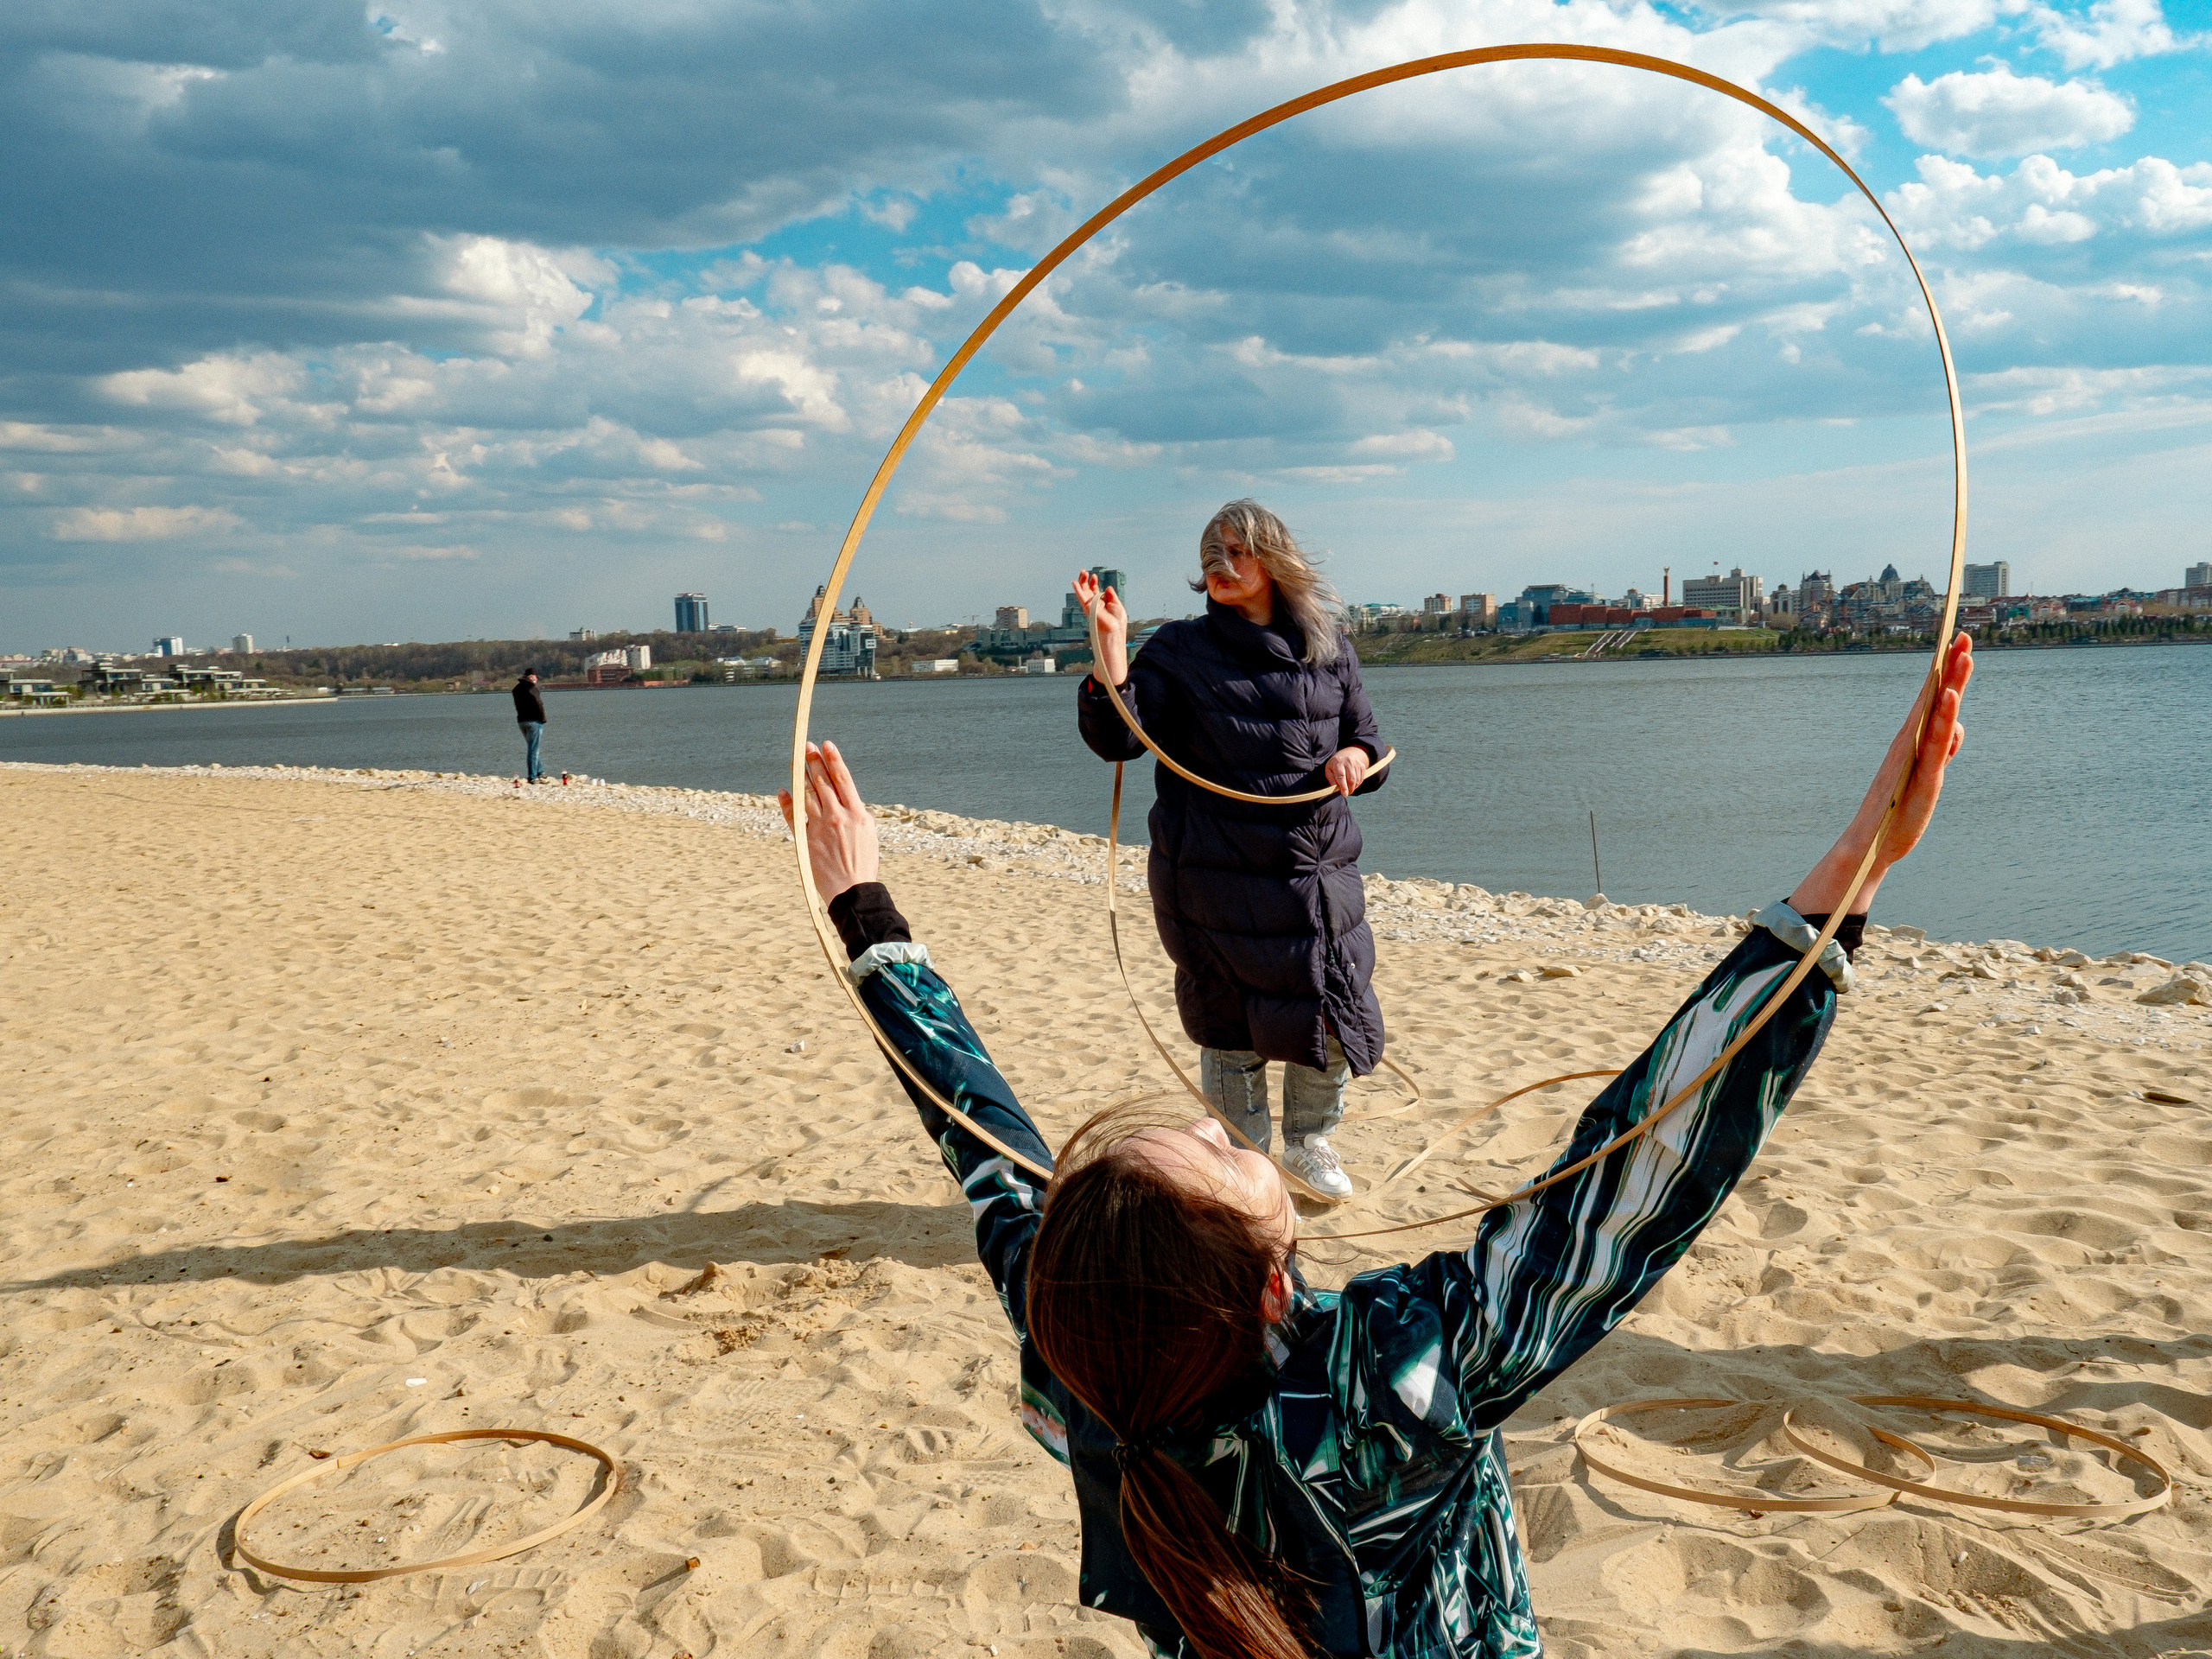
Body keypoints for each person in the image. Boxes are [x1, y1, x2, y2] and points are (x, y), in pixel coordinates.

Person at [779, 632, 1973, 1659]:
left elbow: (979, 1136)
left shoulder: (1085, 1359)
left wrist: (865, 910)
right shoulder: (1382, 1387)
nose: (1207, 1121)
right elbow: (1636, 1175)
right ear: (1258, 1290)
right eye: (1215, 1154)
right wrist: (1861, 860)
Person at [1074, 501, 1385, 1199]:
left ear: (1275, 561)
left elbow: (1369, 737)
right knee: (1232, 1024)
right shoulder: (1181, 650)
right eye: (1212, 552)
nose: (1222, 565)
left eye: (1239, 552)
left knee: (1331, 1007)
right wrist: (1111, 654)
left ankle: (1310, 1145)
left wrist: (1357, 758)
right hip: (1213, 873)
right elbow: (1120, 739)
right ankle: (1244, 1161)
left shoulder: (1327, 643)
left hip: (1316, 870)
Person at [512, 669, 548, 783]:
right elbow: (539, 703)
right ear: (531, 676)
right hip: (534, 721)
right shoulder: (532, 689)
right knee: (534, 750)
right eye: (535, 677)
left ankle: (540, 772)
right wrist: (543, 718)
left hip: (522, 721)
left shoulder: (516, 689)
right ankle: (532, 776)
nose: (537, 679)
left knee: (532, 747)